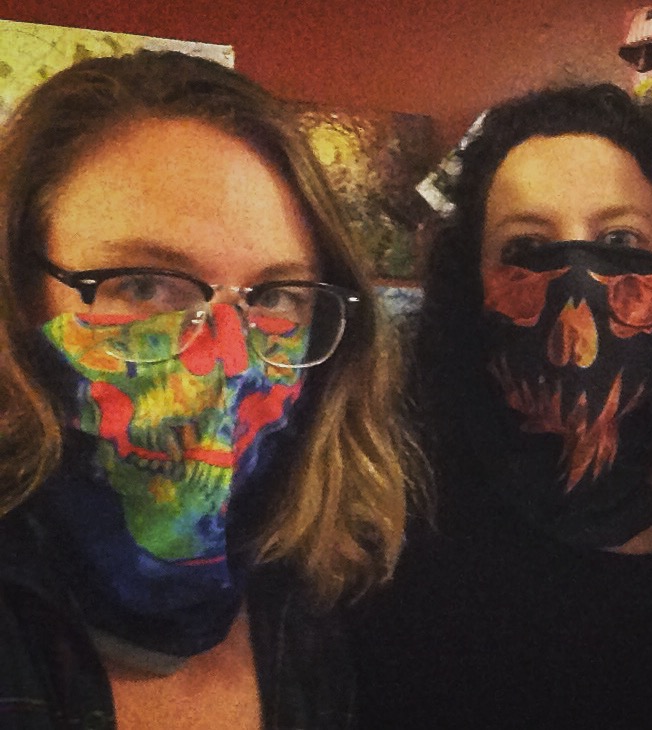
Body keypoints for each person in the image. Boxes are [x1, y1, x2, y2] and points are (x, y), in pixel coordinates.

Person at [351, 83, 652, 727]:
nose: (577, 288)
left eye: (619, 240)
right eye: (527, 249)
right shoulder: (394, 522)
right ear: (471, 284)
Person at [0, 50, 422, 727]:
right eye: (144, 285)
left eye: (275, 295)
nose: (230, 359)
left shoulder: (314, 594)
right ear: (18, 297)